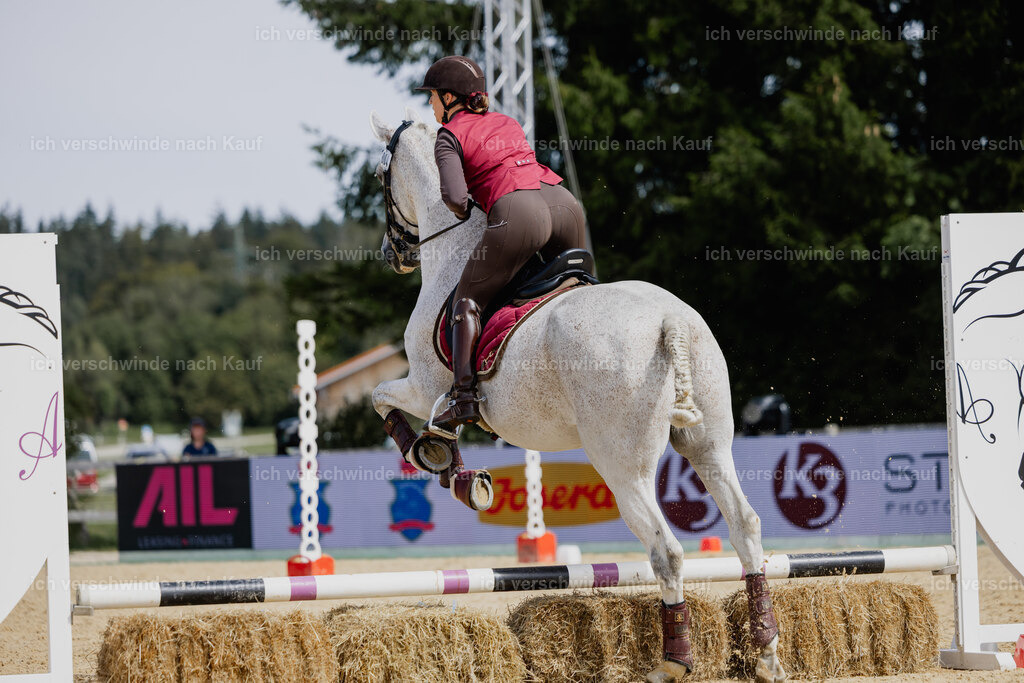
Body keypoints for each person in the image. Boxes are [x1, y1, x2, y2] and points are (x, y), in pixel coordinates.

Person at [415, 55, 587, 435]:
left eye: (433, 96)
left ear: (449, 98)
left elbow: (455, 198)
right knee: (579, 294)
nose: (430, 103)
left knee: (466, 302)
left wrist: (466, 208)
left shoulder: (449, 135)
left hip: (521, 213)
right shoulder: (506, 121)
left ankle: (463, 398)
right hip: (564, 206)